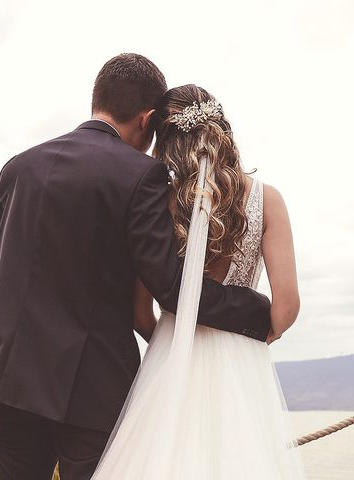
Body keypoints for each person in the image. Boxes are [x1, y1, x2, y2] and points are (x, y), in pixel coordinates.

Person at [0, 54, 272, 480]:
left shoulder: (17, 168)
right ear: (146, 120)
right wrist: (254, 311)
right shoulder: (141, 175)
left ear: (98, 99)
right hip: (94, 388)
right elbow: (168, 283)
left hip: (14, 382)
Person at [91, 85, 306, 479]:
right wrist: (263, 331)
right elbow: (287, 307)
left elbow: (140, 313)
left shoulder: (164, 203)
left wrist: (171, 336)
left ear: (170, 143)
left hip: (172, 362)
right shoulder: (267, 199)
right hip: (243, 367)